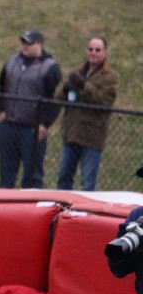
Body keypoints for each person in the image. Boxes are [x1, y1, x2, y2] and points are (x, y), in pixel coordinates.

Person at [0, 29, 62, 189]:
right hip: (9, 125)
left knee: (32, 176)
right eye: (23, 42)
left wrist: (45, 124)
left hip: (32, 129)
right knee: (6, 174)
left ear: (39, 44)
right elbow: (1, 87)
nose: (25, 46)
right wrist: (2, 109)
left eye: (29, 43)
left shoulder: (50, 67)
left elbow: (56, 99)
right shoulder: (11, 62)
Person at [55, 37, 119, 191]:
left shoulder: (110, 77)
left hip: (92, 137)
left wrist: (84, 86)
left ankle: (85, 213)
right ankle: (62, 211)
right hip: (71, 134)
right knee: (63, 177)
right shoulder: (78, 71)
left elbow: (104, 101)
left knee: (88, 182)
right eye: (91, 49)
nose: (93, 53)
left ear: (104, 53)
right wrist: (66, 89)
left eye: (98, 50)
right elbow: (57, 96)